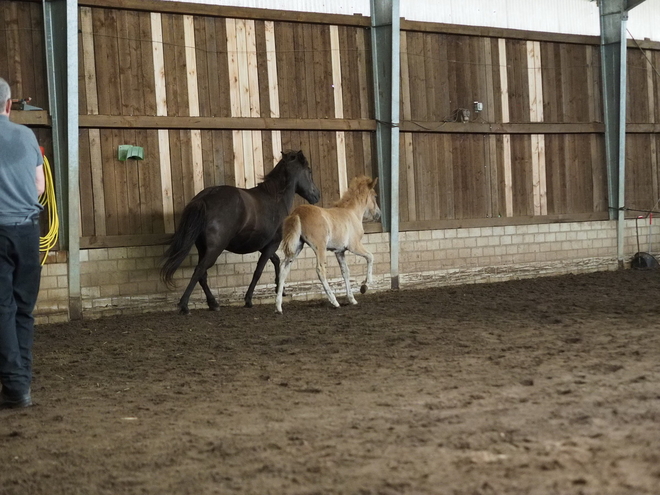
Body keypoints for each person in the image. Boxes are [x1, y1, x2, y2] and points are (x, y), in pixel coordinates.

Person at [0, 77, 45, 409]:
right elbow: (40, 186)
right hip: (28, 232)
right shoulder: (26, 136)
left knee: (2, 309)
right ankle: (22, 384)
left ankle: (15, 387)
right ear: (8, 104)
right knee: (24, 310)